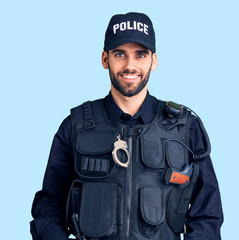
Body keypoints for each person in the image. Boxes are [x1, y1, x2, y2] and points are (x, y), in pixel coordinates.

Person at [30, 12, 223, 240]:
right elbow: (49, 206)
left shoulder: (184, 127)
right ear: (105, 59)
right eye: (119, 54)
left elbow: (208, 214)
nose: (130, 65)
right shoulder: (76, 125)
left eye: (140, 55)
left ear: (154, 60)